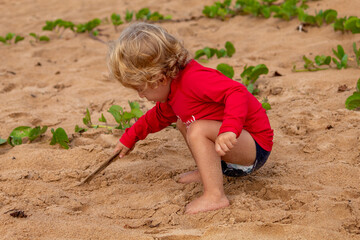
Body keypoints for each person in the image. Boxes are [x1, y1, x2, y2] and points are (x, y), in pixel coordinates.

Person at [107, 22, 273, 214]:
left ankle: (215, 196)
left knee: (198, 129)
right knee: (183, 123)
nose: (140, 96)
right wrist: (130, 137)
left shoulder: (195, 79)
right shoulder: (172, 90)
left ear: (160, 79)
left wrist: (229, 128)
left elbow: (236, 92)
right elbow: (158, 116)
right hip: (233, 147)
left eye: (140, 89)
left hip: (254, 146)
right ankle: (209, 172)